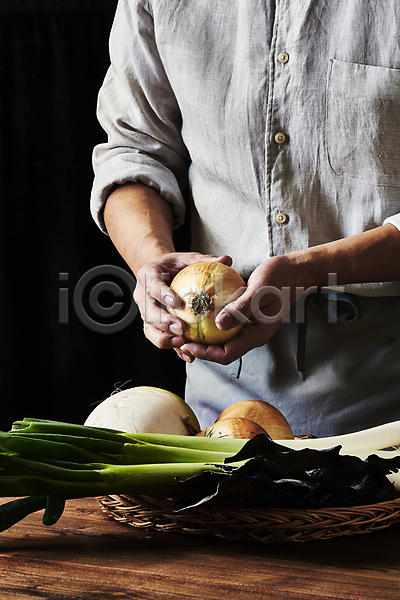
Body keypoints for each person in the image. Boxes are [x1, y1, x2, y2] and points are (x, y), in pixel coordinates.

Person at [90, 0, 400, 437]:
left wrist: (309, 269)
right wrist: (151, 260)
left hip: (388, 402)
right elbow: (134, 150)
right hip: (218, 415)